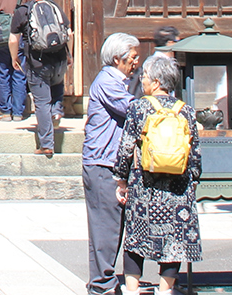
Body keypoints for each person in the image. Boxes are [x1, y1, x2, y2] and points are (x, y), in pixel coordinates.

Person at [111, 54, 202, 295]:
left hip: (144, 187)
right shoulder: (187, 112)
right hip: (177, 189)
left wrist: (121, 181)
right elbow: (195, 157)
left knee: (136, 237)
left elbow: (126, 149)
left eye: (145, 77)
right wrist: (192, 182)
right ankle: (165, 289)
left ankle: (132, 289)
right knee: (174, 239)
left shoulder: (138, 108)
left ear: (157, 81)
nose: (142, 81)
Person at [83, 33, 142, 295]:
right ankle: (101, 284)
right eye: (133, 57)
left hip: (111, 163)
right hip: (102, 163)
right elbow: (133, 109)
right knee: (105, 228)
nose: (136, 62)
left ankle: (104, 281)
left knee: (112, 226)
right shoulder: (108, 81)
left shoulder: (121, 81)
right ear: (117, 58)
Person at [20, 0, 69, 156]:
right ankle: (56, 111)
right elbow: (67, 31)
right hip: (59, 59)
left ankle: (47, 144)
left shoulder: (23, 11)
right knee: (57, 85)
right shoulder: (53, 5)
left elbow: (12, 38)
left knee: (41, 103)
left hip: (37, 63)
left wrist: (13, 58)